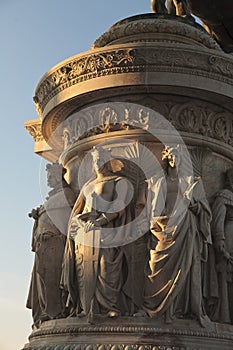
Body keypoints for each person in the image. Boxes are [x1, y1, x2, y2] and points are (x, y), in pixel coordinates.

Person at [61, 146, 139, 318]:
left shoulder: (118, 181)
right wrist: (78, 222)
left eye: (101, 159)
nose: (98, 163)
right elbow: (77, 211)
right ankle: (86, 307)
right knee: (85, 271)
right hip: (86, 235)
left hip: (108, 233)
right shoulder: (87, 186)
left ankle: (109, 305)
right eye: (95, 159)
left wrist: (101, 220)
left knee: (107, 268)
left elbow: (119, 206)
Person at [141, 145, 212, 327]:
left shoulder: (192, 181)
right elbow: (152, 209)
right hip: (162, 228)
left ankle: (178, 308)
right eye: (170, 155)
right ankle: (153, 307)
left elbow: (204, 209)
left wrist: (192, 203)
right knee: (155, 266)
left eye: (177, 155)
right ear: (166, 157)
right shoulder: (158, 181)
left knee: (185, 269)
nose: (173, 158)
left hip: (184, 226)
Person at [26, 162, 76, 328]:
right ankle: (45, 314)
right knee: (42, 279)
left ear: (58, 176)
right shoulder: (53, 198)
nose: (48, 180)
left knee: (51, 278)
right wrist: (38, 215)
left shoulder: (67, 194)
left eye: (50, 176)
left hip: (55, 242)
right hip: (43, 244)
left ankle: (54, 312)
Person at [212, 168, 233, 324]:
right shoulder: (224, 196)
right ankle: (223, 315)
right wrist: (220, 240)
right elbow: (218, 222)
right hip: (229, 238)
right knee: (225, 275)